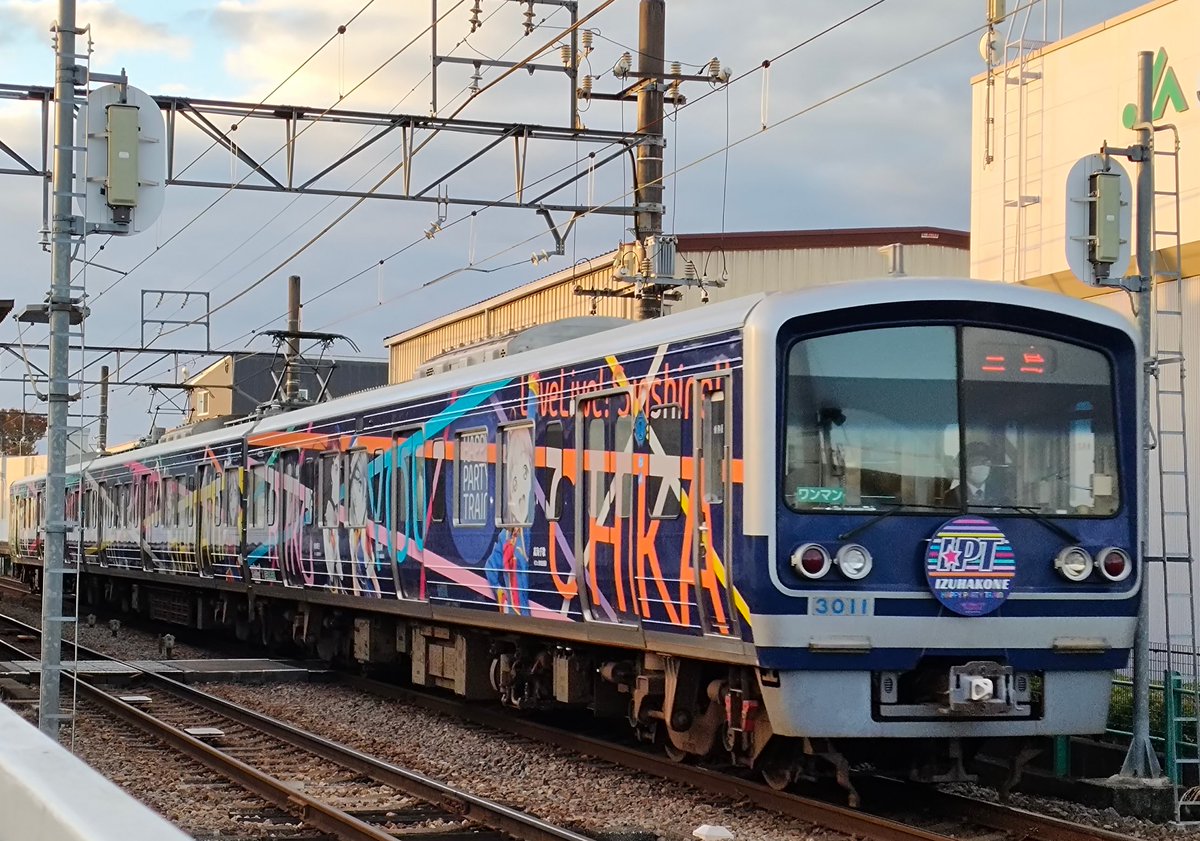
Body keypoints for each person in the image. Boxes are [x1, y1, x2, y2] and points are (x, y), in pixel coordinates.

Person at [945, 440, 1003, 506]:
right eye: (976, 462)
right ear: (965, 467)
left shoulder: (998, 494)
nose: (982, 466)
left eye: (985, 462)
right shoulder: (953, 495)